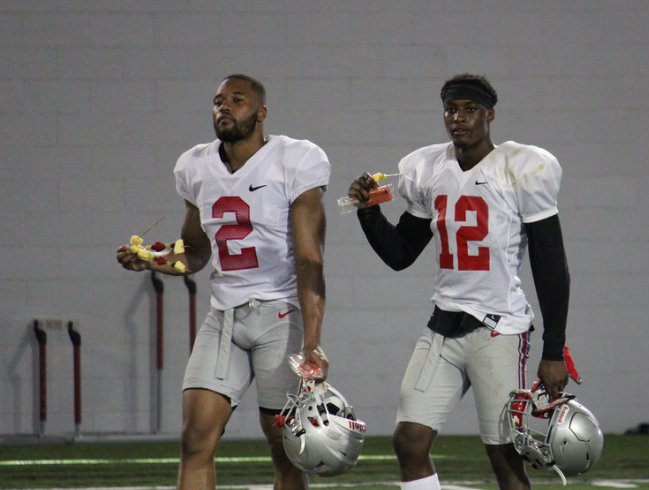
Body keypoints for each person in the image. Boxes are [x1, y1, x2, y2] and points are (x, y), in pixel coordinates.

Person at [346, 73, 571, 490]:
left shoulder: (520, 168)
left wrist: (554, 348)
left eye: (470, 109)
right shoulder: (428, 169)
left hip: (498, 330)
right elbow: (400, 254)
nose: (458, 118)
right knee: (409, 442)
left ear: (490, 115)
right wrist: (368, 212)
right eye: (451, 109)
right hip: (443, 327)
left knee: (505, 457)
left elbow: (550, 264)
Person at [116, 74, 330, 490]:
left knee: (285, 446)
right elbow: (195, 253)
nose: (225, 107)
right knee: (195, 438)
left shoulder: (294, 160)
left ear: (261, 113)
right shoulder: (196, 166)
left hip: (280, 314)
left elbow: (310, 260)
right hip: (224, 316)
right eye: (218, 100)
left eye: (238, 99)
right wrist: (152, 260)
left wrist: (313, 340)